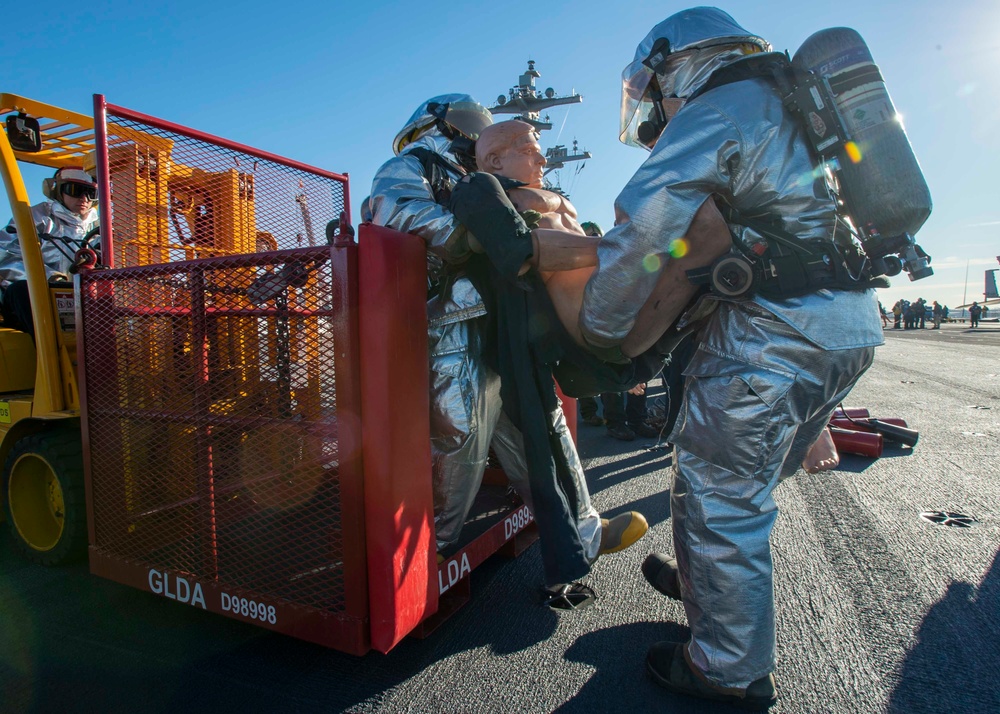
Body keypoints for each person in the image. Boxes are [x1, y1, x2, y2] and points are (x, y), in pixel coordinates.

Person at [577, 8, 884, 708]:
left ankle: (726, 668)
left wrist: (598, 327)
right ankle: (707, 590)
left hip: (771, 336)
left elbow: (647, 224)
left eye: (655, 90)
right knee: (728, 477)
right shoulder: (793, 104)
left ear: (676, 65)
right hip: (845, 327)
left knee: (722, 498)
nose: (656, 108)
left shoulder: (720, 107)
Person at [367, 97, 646, 607]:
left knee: (538, 427)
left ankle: (582, 529)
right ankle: (436, 544)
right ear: (444, 125)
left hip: (502, 317)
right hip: (452, 319)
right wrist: (492, 230)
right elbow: (402, 215)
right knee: (463, 433)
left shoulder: (485, 181)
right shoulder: (410, 167)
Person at [1, 167, 99, 338]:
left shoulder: (99, 227)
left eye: (90, 193)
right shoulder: (36, 217)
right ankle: (48, 356)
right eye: (75, 190)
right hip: (38, 294)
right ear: (57, 190)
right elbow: (6, 254)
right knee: (21, 290)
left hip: (80, 296)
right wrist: (51, 277)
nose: (84, 198)